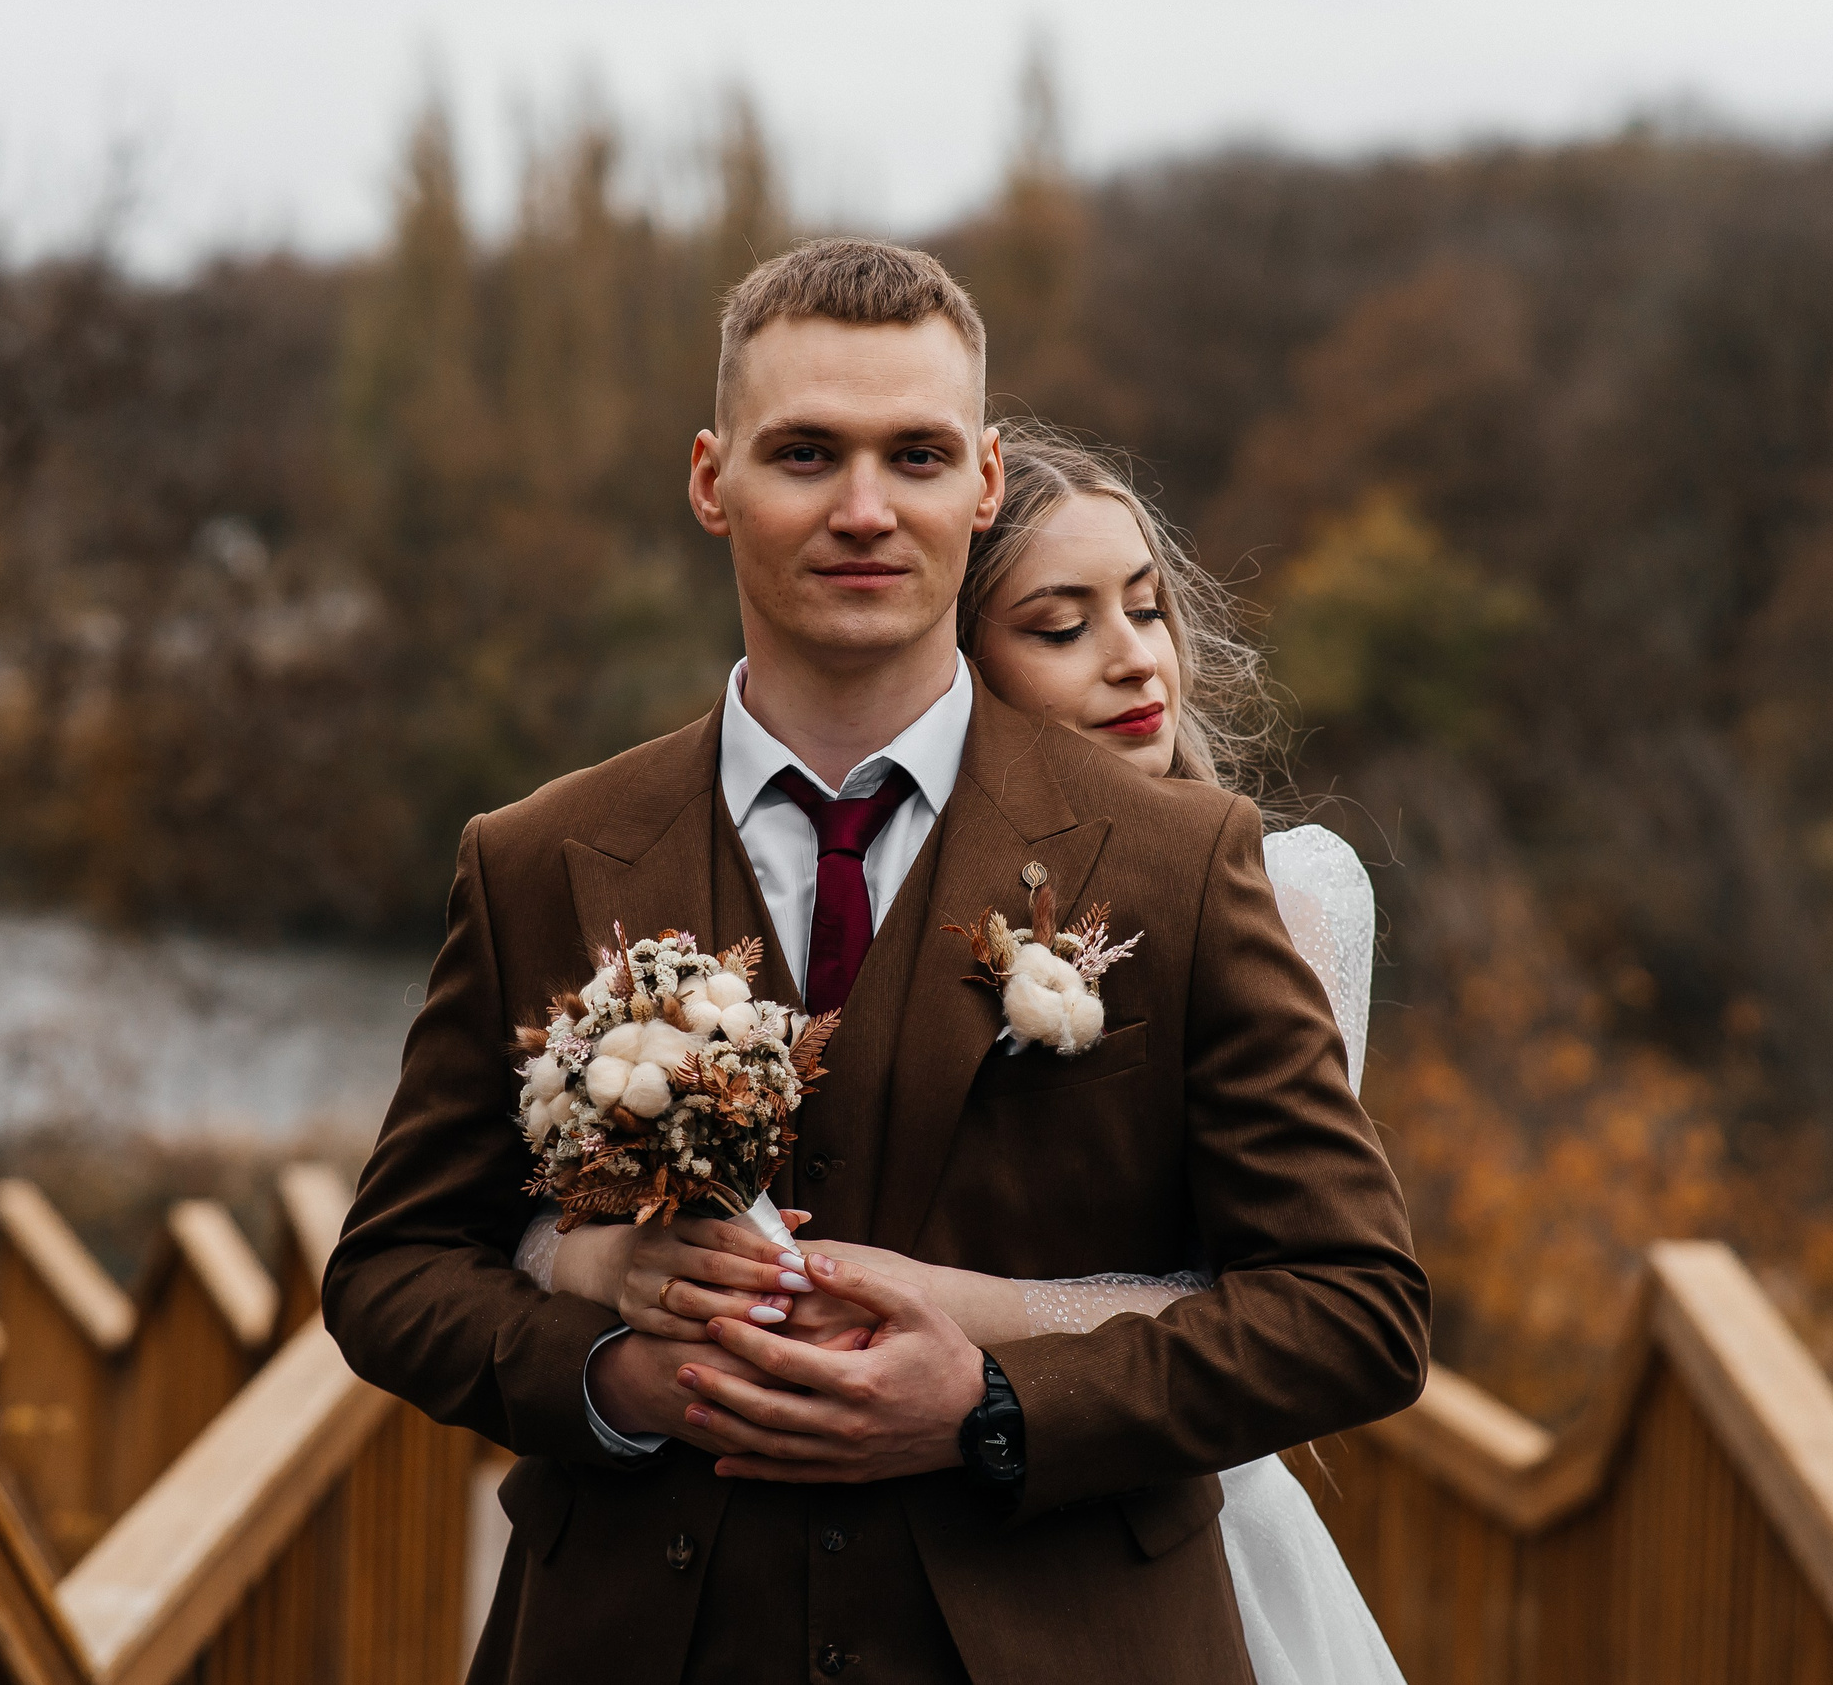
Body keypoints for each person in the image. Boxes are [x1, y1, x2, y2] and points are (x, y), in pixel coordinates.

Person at [323, 237, 1428, 1685]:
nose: (863, 509)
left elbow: (1355, 1309)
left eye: (915, 455)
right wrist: (617, 1378)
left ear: (982, 482)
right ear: (712, 479)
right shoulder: (539, 855)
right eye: (805, 454)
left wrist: (994, 1401)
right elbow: (395, 1268)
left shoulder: (1181, 859)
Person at [519, 418, 1403, 1683]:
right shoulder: (794, 878)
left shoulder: (1279, 890)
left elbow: (1301, 1293)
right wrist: (611, 1265)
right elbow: (491, 1226)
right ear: (956, 666)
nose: (1134, 658)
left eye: (1146, 609)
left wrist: (943, 1331)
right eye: (1061, 626)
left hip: (1133, 1554)